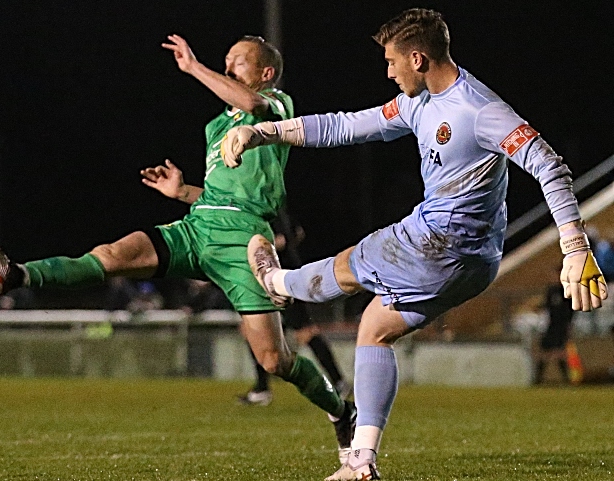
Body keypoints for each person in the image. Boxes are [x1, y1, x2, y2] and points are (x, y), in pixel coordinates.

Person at [221, 9, 608, 480]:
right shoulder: (417, 102)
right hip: (476, 264)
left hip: (437, 243)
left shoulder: (477, 108)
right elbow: (345, 126)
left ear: (418, 58)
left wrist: (574, 245)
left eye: (392, 62)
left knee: (348, 266)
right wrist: (264, 131)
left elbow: (548, 164)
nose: (388, 72)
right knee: (374, 329)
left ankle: (278, 281)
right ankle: (361, 460)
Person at [0, 34, 355, 465]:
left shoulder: (278, 103)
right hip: (197, 227)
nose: (227, 68)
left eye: (238, 62)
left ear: (265, 73)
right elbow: (218, 194)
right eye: (225, 61)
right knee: (114, 255)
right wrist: (183, 190)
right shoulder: (215, 128)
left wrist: (194, 68)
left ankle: (342, 412)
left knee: (274, 359)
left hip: (246, 243)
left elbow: (255, 108)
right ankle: (15, 274)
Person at [238, 209, 352, 406]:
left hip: (279, 279)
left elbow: (281, 239)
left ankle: (338, 381)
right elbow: (298, 233)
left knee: (304, 332)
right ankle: (262, 387)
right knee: (251, 328)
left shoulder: (263, 211)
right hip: (277, 277)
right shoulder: (274, 208)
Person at [534, 269, 575, 384]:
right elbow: (548, 306)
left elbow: (571, 310)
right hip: (551, 325)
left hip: (561, 325)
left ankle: (567, 379)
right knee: (544, 351)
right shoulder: (551, 291)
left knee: (560, 352)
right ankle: (538, 379)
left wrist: (568, 326)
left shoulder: (566, 292)